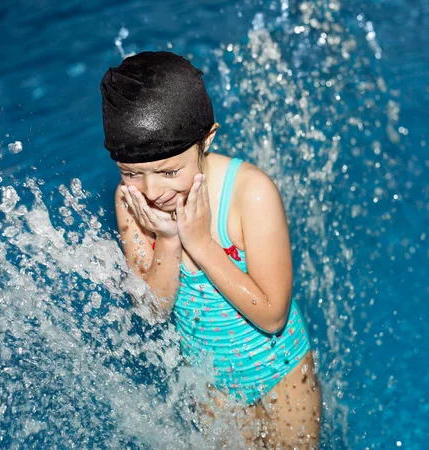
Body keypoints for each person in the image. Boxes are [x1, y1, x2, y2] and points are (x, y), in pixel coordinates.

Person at [101, 51, 322, 448]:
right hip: (213, 391)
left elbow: (273, 316)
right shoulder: (130, 203)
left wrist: (200, 243)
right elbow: (152, 312)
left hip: (282, 377)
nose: (153, 192)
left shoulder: (249, 194)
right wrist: (168, 240)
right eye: (132, 173)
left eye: (169, 171)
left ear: (208, 139)